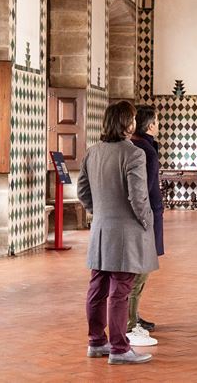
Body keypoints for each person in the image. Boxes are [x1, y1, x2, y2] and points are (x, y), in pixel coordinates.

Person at [80, 101, 158, 365]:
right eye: (133, 118)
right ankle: (119, 348)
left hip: (101, 230)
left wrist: (100, 212)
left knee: (97, 287)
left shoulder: (92, 152)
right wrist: (146, 221)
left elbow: (82, 192)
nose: (135, 122)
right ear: (128, 123)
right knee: (120, 290)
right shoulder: (134, 154)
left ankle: (96, 342)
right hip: (126, 233)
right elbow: (138, 197)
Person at [125, 105, 163, 346]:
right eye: (157, 121)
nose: (158, 124)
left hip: (144, 215)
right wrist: (146, 218)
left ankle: (133, 316)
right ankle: (131, 322)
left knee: (140, 269)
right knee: (140, 270)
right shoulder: (145, 150)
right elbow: (144, 190)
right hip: (145, 217)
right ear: (149, 125)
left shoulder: (139, 145)